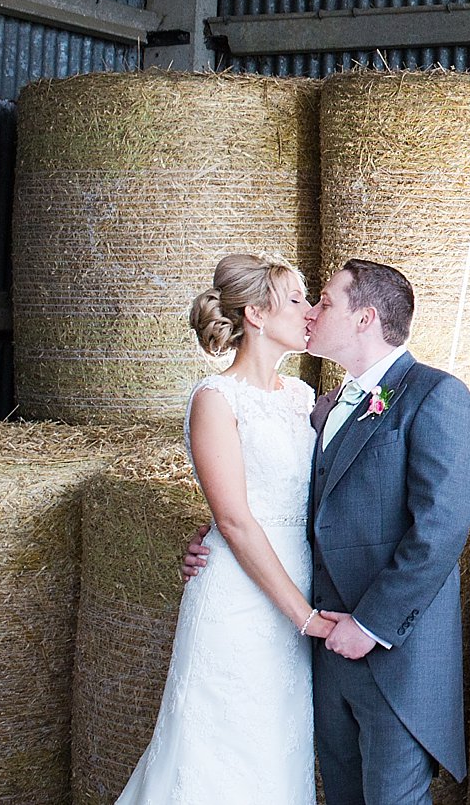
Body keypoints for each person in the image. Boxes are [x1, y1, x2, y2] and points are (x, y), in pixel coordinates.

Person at [183, 258, 470, 805]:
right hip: (314, 643)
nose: (313, 313)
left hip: (392, 654)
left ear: (364, 319)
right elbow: (279, 498)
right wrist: (219, 533)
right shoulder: (317, 403)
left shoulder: (436, 395)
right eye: (304, 301)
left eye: (323, 301)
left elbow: (439, 530)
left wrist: (369, 624)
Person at [118, 252, 330, 803]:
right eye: (297, 300)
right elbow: (235, 518)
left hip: (294, 583)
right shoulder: (215, 399)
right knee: (219, 749)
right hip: (240, 599)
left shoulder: (303, 398)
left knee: (275, 750)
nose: (309, 312)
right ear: (257, 315)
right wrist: (305, 617)